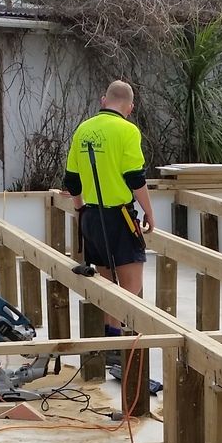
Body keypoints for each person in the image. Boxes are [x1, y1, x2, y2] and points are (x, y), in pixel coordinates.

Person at [63, 80, 155, 313]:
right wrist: (149, 212)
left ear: (104, 100)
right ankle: (126, 343)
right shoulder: (127, 130)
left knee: (107, 285)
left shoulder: (82, 129)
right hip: (120, 217)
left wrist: (80, 208)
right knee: (131, 288)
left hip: (92, 218)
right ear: (130, 108)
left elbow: (72, 181)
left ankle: (111, 340)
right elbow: (135, 178)